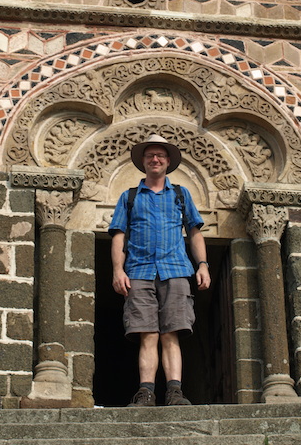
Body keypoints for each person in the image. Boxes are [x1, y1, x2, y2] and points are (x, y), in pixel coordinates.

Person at [109, 134, 211, 407]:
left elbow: (194, 232)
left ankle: (175, 392)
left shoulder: (181, 194)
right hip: (139, 271)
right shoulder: (129, 197)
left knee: (171, 333)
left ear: (168, 162)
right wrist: (118, 270)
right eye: (150, 155)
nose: (155, 159)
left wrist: (203, 265)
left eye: (160, 156)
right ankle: (146, 393)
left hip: (175, 270)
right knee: (148, 335)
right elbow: (119, 235)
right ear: (143, 162)